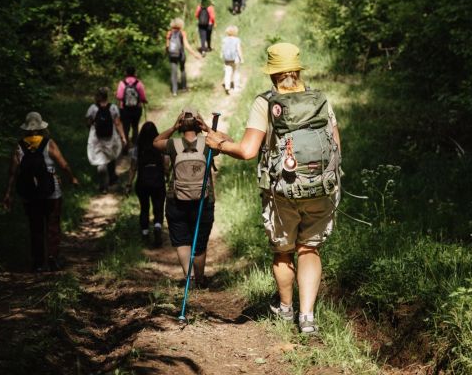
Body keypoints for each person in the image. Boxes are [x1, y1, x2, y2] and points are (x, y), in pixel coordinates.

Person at [204, 43, 342, 336]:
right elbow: (336, 147)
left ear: (273, 73)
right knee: (310, 248)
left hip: (283, 191)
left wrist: (220, 145)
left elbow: (248, 151)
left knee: (283, 252)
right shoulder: (320, 100)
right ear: (297, 69)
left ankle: (285, 309)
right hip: (321, 188)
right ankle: (307, 319)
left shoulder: (266, 102)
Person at [3, 111, 78, 272]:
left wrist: (8, 193)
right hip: (51, 191)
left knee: (35, 227)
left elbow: (12, 172)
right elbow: (63, 164)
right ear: (40, 127)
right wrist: (72, 178)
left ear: (27, 128)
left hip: (29, 193)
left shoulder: (19, 146)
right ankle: (52, 258)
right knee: (52, 225)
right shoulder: (49, 143)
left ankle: (37, 263)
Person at [153, 108, 216, 287]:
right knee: (200, 242)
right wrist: (208, 128)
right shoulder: (208, 143)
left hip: (176, 200)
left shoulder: (173, 144)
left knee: (182, 241)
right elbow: (228, 141)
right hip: (204, 200)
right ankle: (200, 279)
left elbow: (155, 141)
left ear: (181, 125)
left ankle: (190, 279)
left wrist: (173, 128)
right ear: (198, 124)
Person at [127, 121, 167, 247]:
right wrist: (167, 175)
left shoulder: (137, 148)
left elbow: (133, 168)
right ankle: (157, 226)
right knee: (158, 206)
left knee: (144, 208)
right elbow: (166, 163)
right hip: (158, 181)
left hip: (142, 182)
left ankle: (144, 233)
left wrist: (128, 184)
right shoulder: (160, 147)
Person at [86, 87, 127, 193]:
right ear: (106, 96)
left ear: (98, 96)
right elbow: (118, 123)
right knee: (111, 156)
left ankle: (103, 185)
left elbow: (88, 122)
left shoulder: (93, 108)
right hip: (110, 137)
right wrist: (123, 136)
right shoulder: (113, 107)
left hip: (96, 138)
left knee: (100, 161)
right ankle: (112, 178)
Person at [166, 18, 201, 97]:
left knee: (173, 72)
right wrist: (194, 54)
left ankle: (174, 91)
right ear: (181, 25)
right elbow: (186, 45)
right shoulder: (182, 33)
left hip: (172, 55)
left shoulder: (169, 33)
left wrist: (167, 53)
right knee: (182, 69)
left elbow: (167, 45)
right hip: (181, 55)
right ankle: (184, 87)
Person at [116, 66, 148, 150]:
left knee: (125, 128)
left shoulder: (122, 83)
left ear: (126, 73)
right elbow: (142, 97)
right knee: (135, 127)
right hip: (136, 109)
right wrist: (144, 101)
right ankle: (135, 146)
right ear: (134, 73)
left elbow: (119, 96)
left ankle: (125, 147)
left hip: (124, 109)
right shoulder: (138, 83)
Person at [221, 25, 243, 95]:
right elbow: (239, 50)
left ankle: (227, 87)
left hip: (227, 59)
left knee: (227, 73)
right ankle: (236, 87)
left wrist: (222, 56)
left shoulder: (224, 40)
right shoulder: (237, 40)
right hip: (235, 59)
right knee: (236, 72)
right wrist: (242, 58)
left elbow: (222, 49)